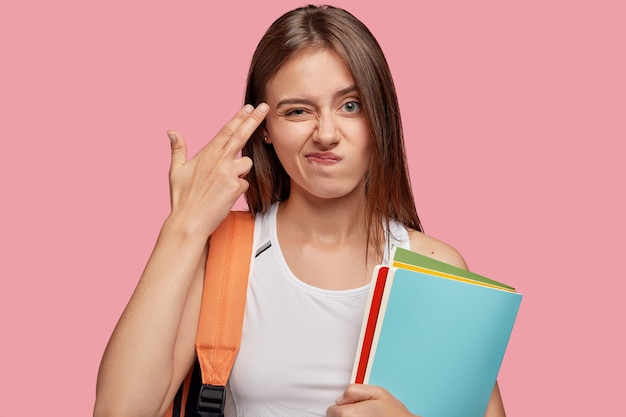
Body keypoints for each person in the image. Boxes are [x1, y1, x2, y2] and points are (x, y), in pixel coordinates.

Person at [94, 5, 506, 417]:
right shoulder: (223, 253)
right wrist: (183, 226)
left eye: (351, 105)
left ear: (380, 115)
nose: (326, 134)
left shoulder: (433, 267)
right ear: (266, 129)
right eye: (297, 111)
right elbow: (118, 412)